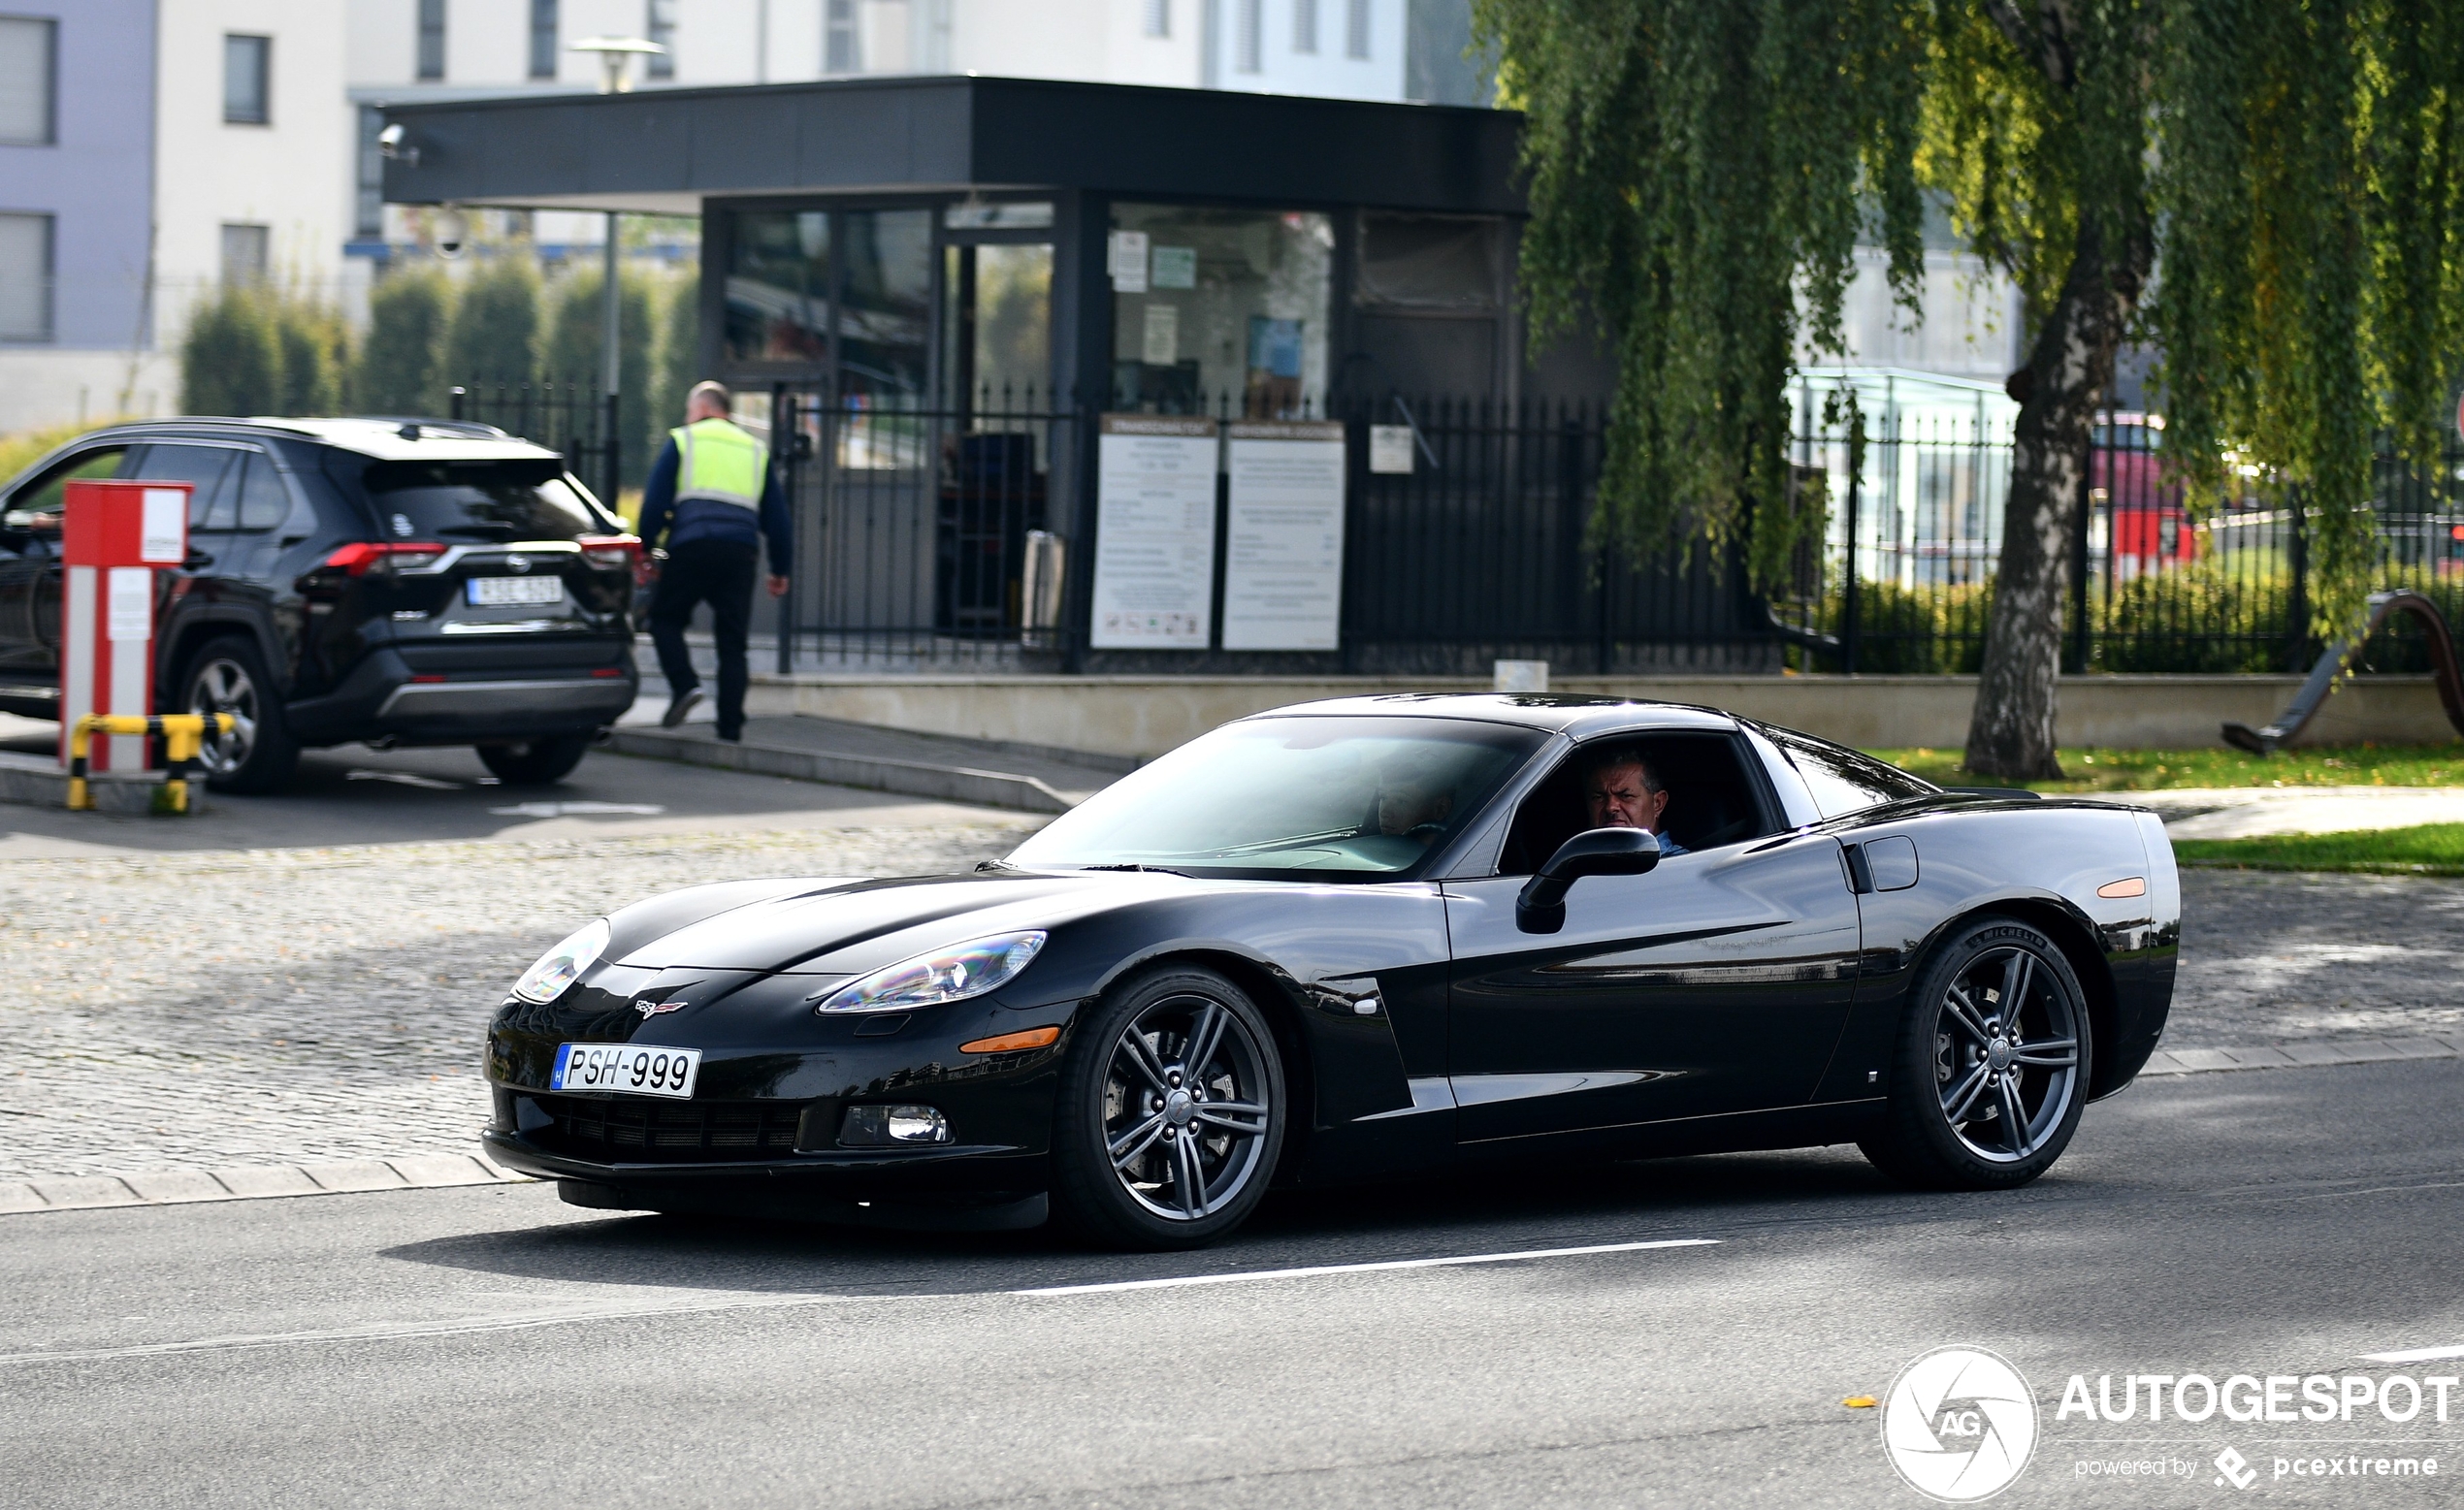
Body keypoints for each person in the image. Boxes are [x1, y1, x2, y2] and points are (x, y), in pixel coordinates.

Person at [638, 381, 792, 742]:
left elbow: (656, 501)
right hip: (740, 553)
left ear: (704, 409)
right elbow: (778, 518)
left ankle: (685, 685)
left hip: (692, 546)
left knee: (664, 619)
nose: (688, 419)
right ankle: (730, 729)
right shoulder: (755, 450)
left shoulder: (684, 440)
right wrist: (780, 569)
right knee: (733, 642)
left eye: (690, 412)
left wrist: (645, 548)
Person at [1580, 746, 1689, 857]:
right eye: (1598, 797)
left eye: (1626, 796)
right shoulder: (1577, 865)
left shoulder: (1682, 867)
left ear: (1658, 803)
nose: (1610, 807)